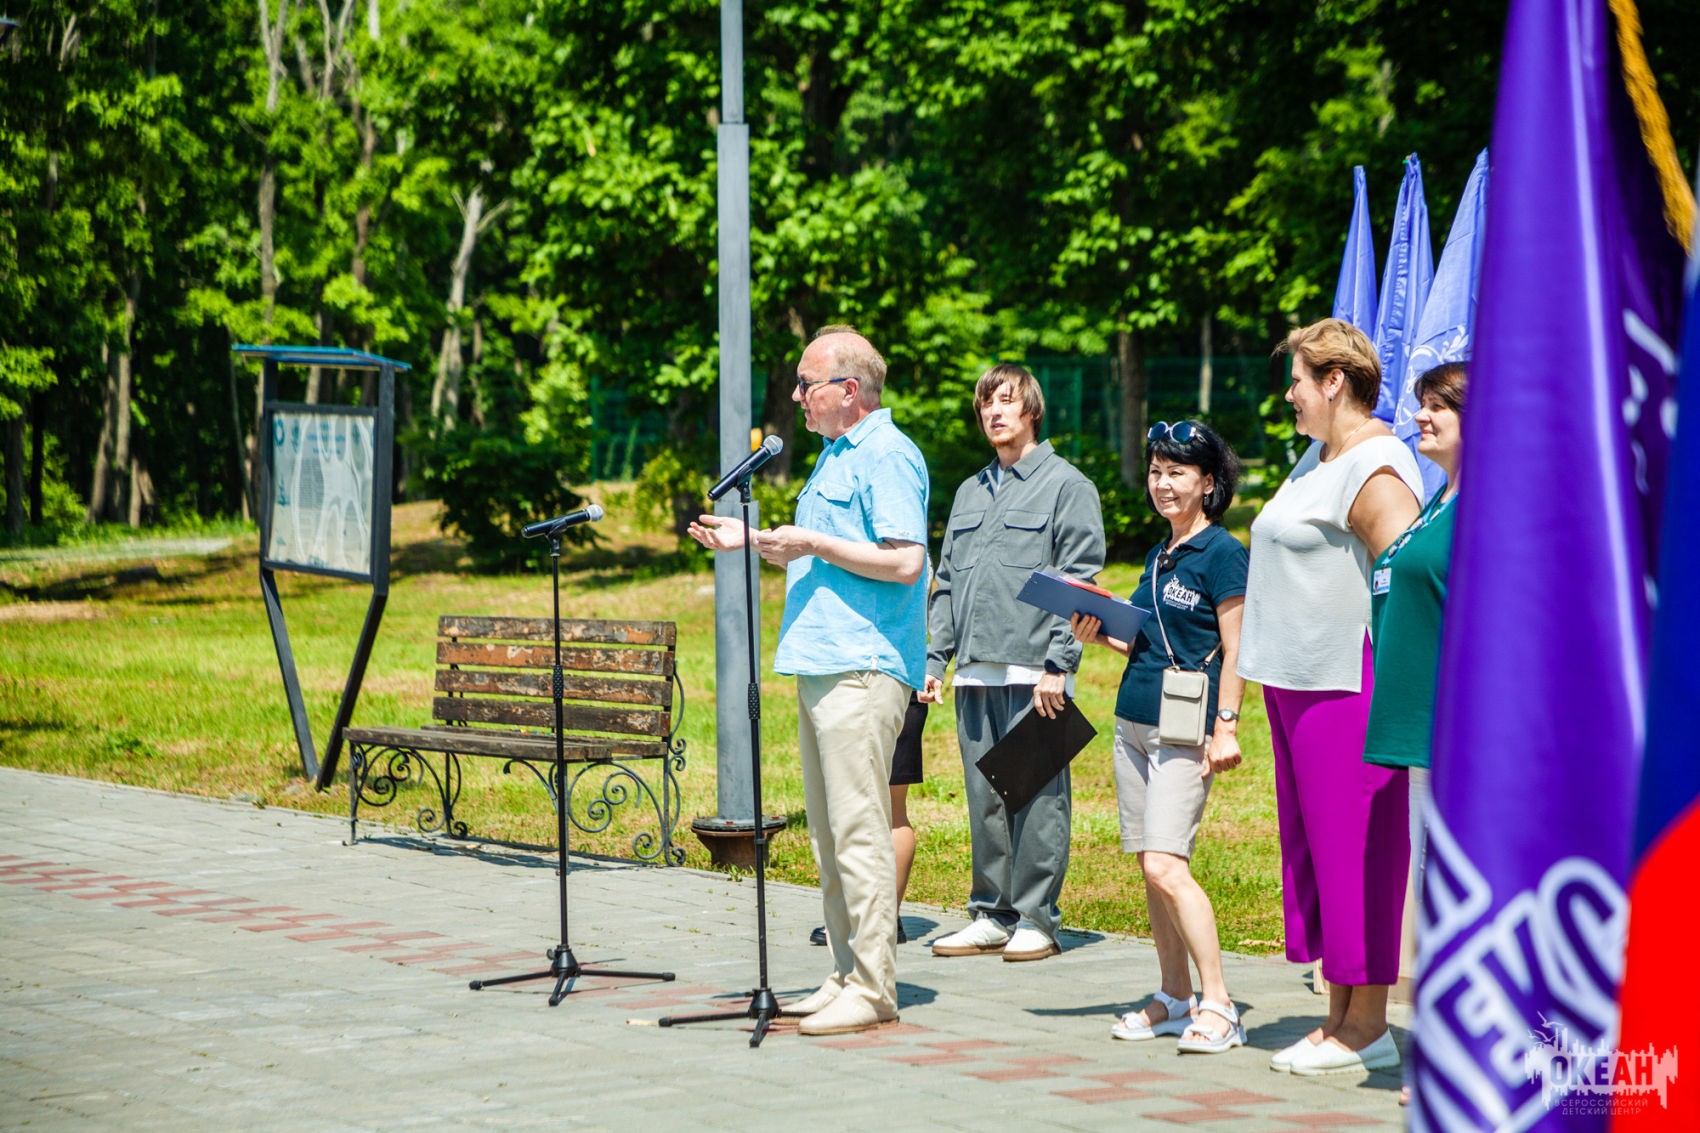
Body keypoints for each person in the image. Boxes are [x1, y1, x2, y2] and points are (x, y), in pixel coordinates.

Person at [688, 326, 928, 1036]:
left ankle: (875, 987)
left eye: (805, 384)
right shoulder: (834, 456)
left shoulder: (887, 453)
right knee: (827, 834)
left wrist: (813, 540)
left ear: (848, 391)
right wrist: (754, 541)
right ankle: (845, 973)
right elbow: (823, 554)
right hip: (824, 661)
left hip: (863, 665)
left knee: (859, 831)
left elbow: (906, 561)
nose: (795, 397)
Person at [1237, 318, 1423, 1076]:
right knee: (1321, 856)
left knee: (1358, 856)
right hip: (1296, 686)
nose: (1289, 395)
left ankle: (1368, 1026)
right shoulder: (1318, 457)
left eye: (1298, 381)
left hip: (1347, 687)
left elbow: (1407, 578)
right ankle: (1339, 1017)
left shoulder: (1376, 465)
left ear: (1334, 382)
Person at [1069, 419, 1249, 1054]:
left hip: (1185, 731)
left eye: (1177, 472)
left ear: (1208, 482)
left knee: (1167, 864)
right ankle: (1175, 996)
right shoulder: (1159, 554)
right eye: (1155, 471)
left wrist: (1226, 726)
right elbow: (1147, 644)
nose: (1162, 484)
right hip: (1134, 723)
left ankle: (1220, 1004)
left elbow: (1237, 649)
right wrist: (1100, 634)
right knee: (1151, 866)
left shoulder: (1223, 553)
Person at [922, 363, 1105, 963]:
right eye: (986, 404)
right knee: (986, 799)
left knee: (1037, 797)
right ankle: (991, 914)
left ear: (1032, 410)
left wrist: (1059, 663)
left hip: (1035, 671)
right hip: (975, 670)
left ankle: (1036, 918)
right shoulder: (970, 491)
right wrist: (935, 658)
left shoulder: (1067, 485)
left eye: (1006, 401)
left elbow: (1079, 580)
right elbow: (947, 583)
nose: (994, 412)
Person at [1360, 362, 1466, 1105]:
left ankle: (1452, 1058)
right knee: (1430, 894)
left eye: (1437, 407)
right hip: (1418, 731)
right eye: (1421, 403)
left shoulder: (1487, 509)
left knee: (1448, 892)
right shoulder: (1438, 501)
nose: (1419, 416)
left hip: (1454, 731)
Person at [809, 692, 927, 947]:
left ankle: (881, 919)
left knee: (891, 812)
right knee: (873, 811)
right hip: (883, 692)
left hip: (887, 693)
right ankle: (873, 919)